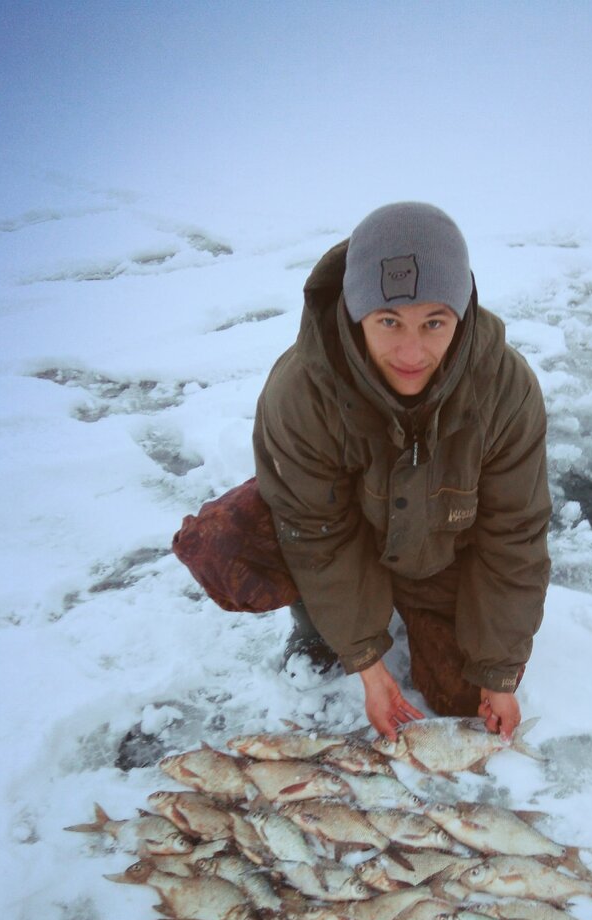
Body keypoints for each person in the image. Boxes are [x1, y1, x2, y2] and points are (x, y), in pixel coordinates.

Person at [173, 202, 550, 741]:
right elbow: (314, 532)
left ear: (461, 315)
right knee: (222, 543)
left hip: (442, 555)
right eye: (389, 321)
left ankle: (412, 610)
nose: (412, 351)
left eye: (434, 322)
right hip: (344, 535)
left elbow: (515, 534)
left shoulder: (506, 390)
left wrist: (498, 669)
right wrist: (366, 659)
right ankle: (320, 627)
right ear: (356, 314)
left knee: (461, 698)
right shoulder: (300, 389)